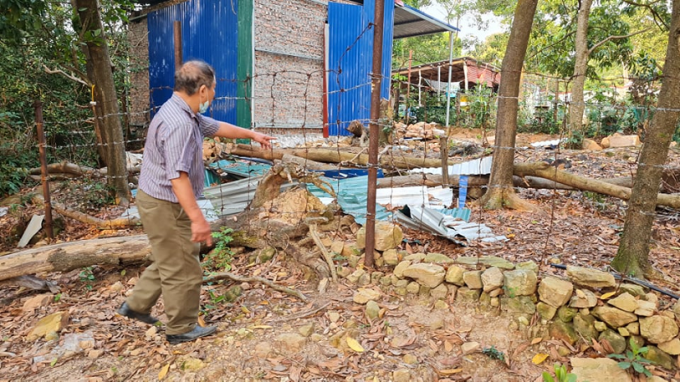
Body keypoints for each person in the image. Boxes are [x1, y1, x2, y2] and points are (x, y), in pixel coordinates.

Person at [117, 60, 275, 345]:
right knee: (185, 267)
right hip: (165, 203)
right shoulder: (178, 124)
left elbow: (215, 127)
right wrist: (198, 218)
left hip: (158, 199)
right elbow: (177, 177)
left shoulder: (182, 111)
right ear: (202, 90)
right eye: (213, 89)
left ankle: (137, 305)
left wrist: (252, 134)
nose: (214, 94)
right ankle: (181, 328)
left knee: (172, 256)